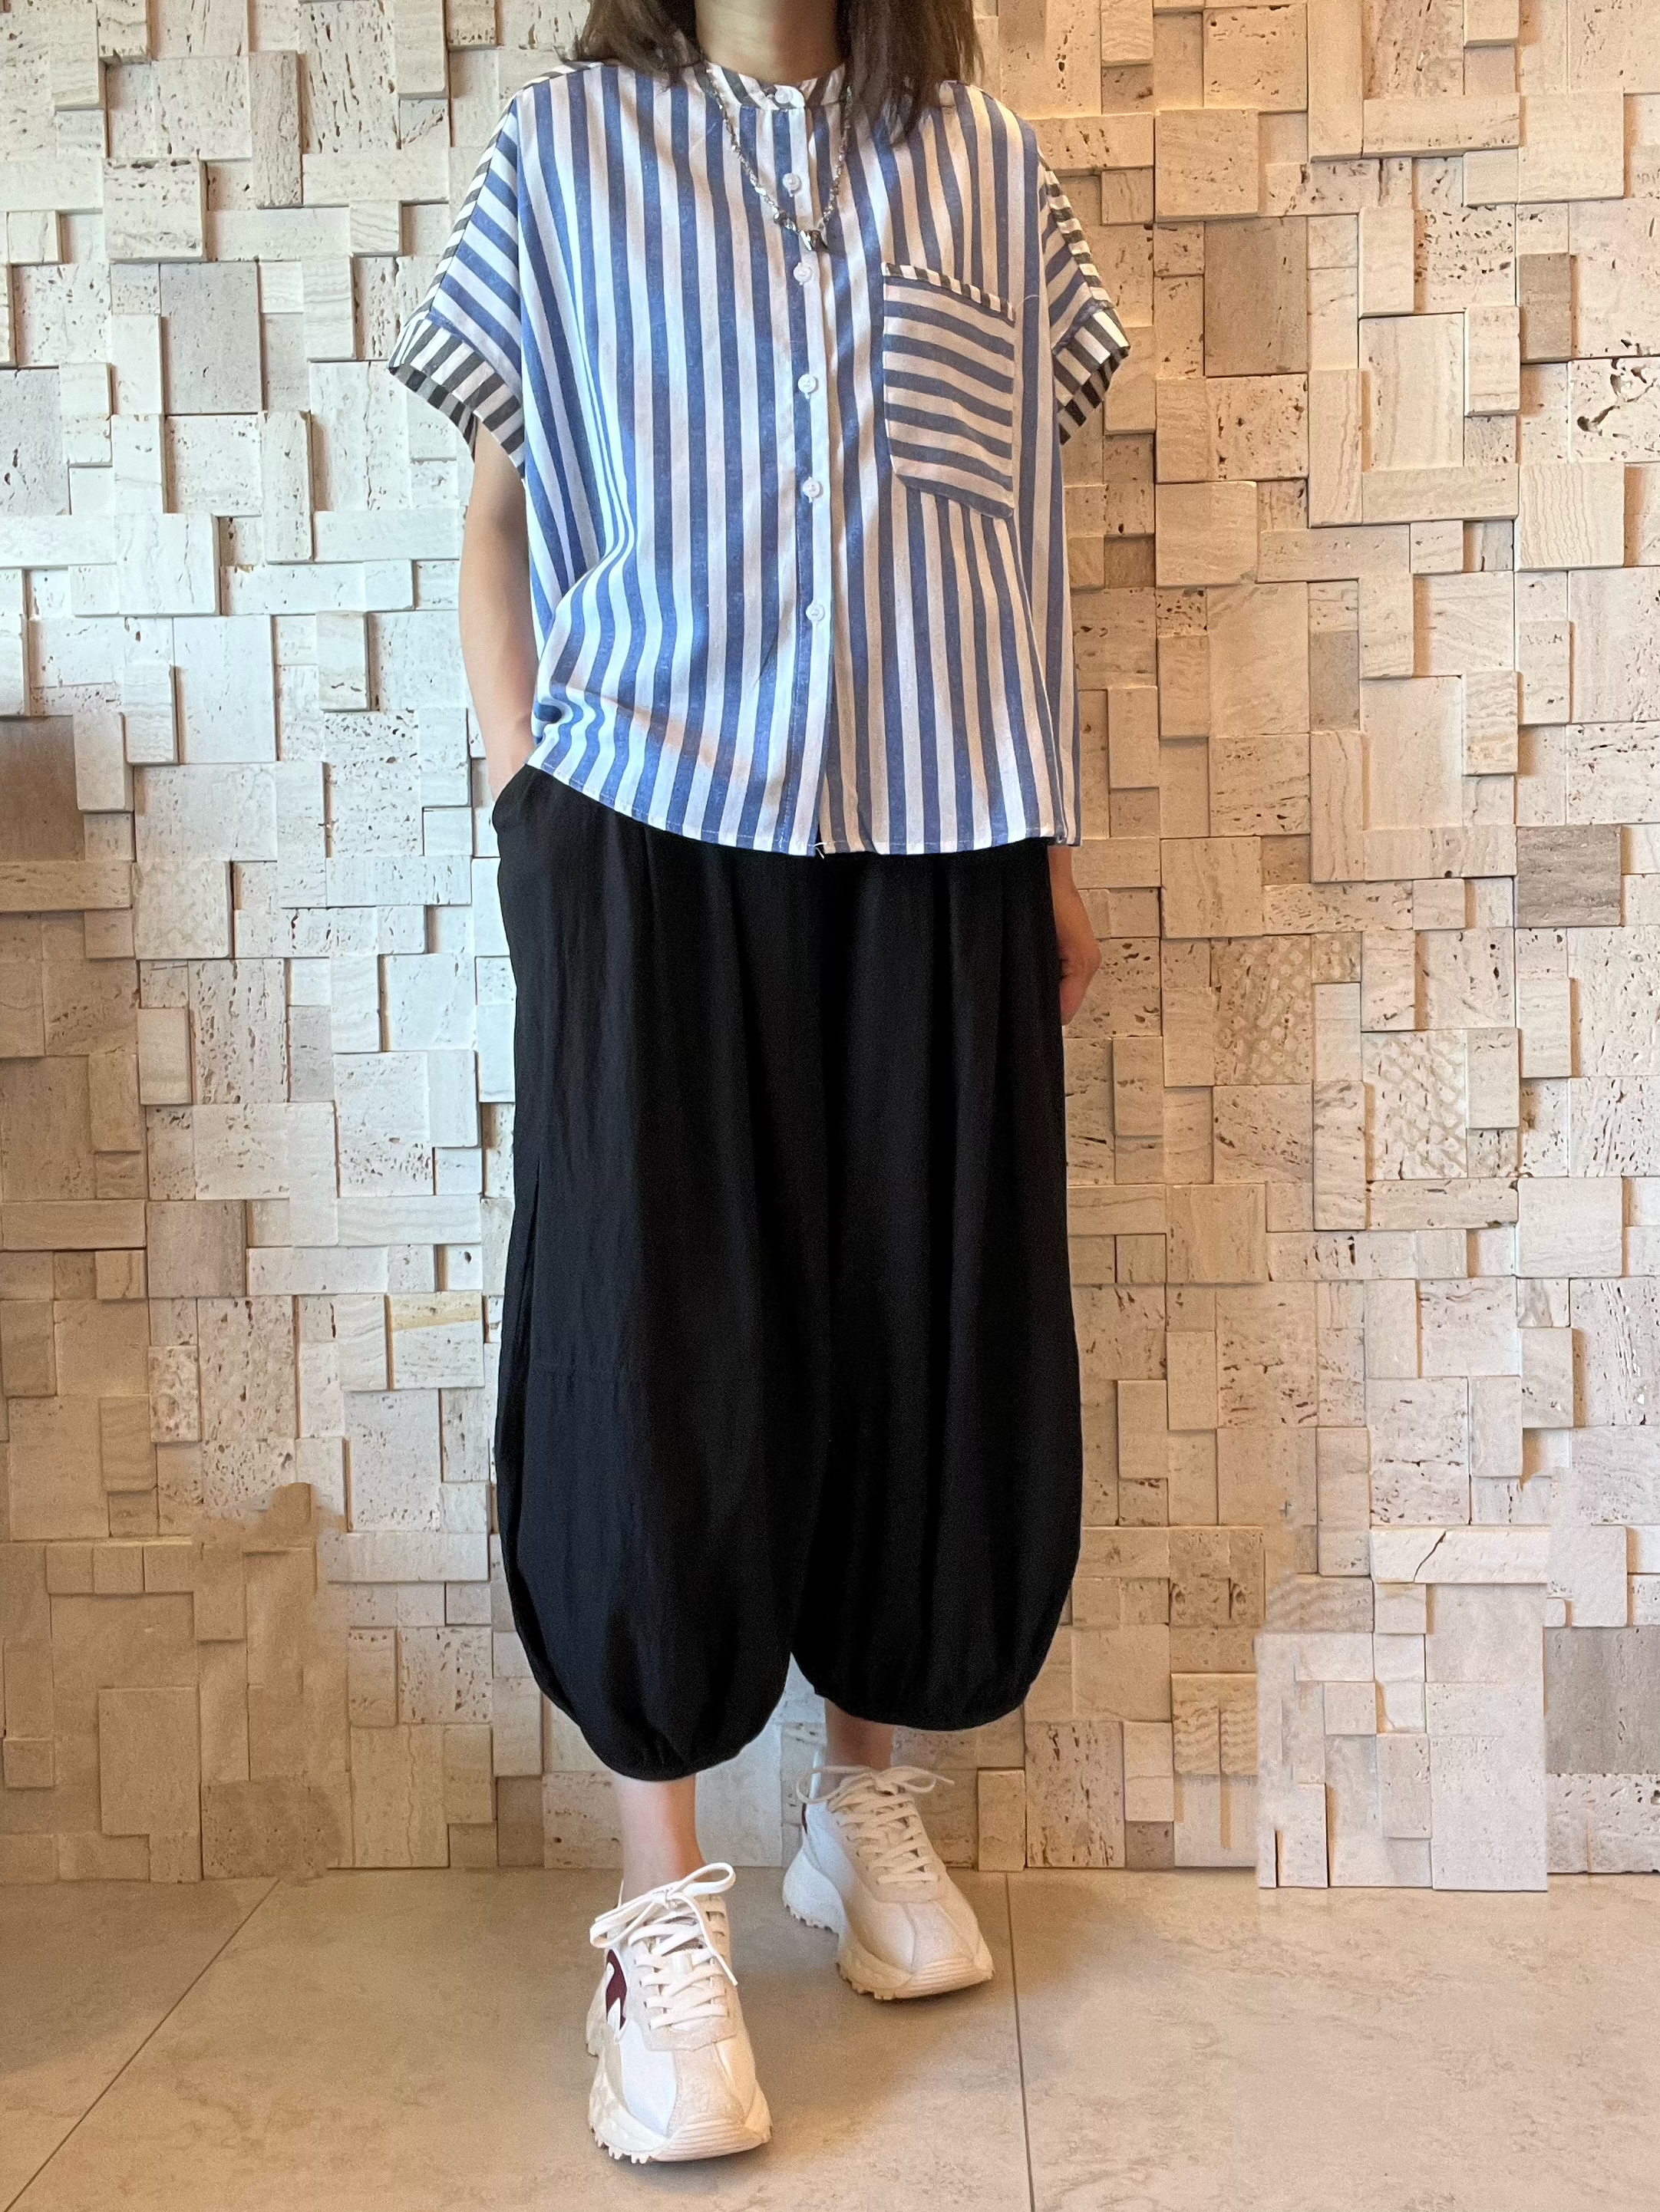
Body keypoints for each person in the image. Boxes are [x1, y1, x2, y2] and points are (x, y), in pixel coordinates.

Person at [388, 0, 1128, 2167]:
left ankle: (861, 1803)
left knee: (918, 1322)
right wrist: (527, 801)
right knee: (656, 1344)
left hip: (940, 836)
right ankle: (661, 1910)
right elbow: (496, 509)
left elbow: (1019, 543)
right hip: (647, 827)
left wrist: (1047, 841)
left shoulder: (986, 168)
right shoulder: (566, 156)